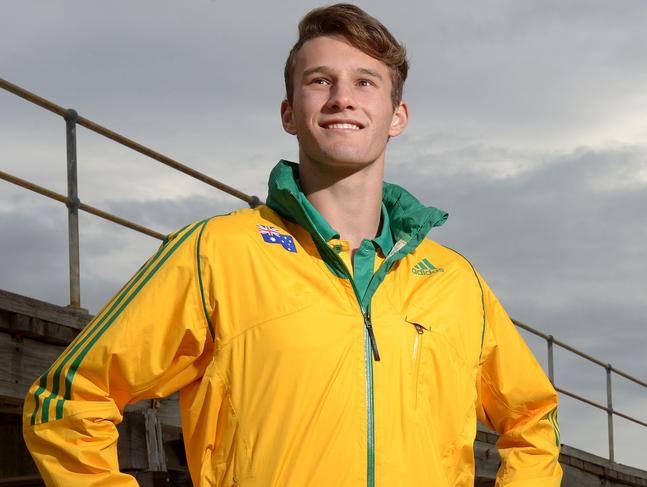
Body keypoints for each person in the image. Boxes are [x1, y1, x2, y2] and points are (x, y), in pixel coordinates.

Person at [23, 4, 562, 486]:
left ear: (397, 116)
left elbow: (532, 419)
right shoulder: (216, 254)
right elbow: (68, 402)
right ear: (289, 113)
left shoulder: (455, 282)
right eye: (321, 80)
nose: (343, 98)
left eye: (366, 82)